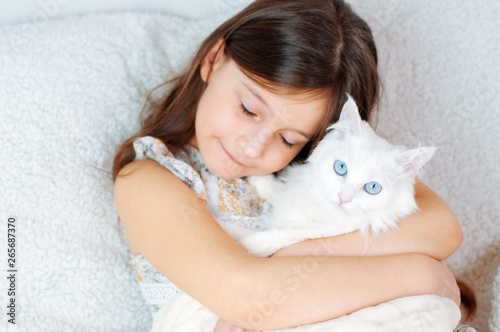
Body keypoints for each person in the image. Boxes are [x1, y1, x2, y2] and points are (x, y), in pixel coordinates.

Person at [112, 0, 463, 330]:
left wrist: (291, 254)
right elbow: (249, 295)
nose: (253, 146)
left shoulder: (321, 170)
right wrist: (419, 274)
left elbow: (442, 229)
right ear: (213, 59)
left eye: (288, 138)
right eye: (248, 109)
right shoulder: (149, 179)